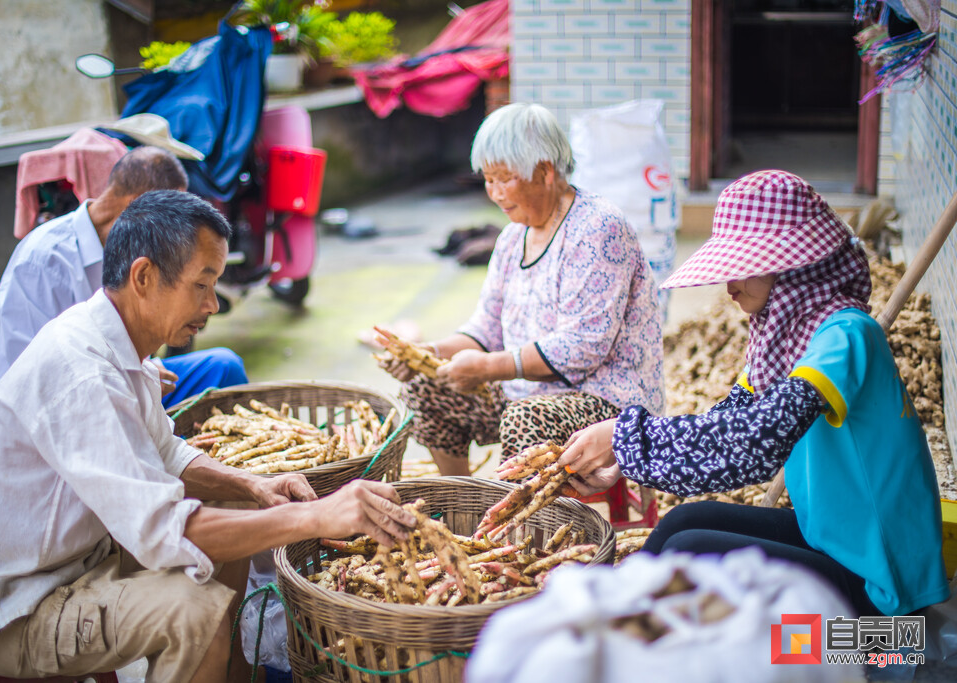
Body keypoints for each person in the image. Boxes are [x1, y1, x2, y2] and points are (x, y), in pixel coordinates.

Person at [0, 191, 416, 681]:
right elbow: (162, 531)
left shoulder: (123, 346)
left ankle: (231, 671)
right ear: (143, 277)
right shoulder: (83, 372)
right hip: (17, 605)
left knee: (237, 504)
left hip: (82, 556)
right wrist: (313, 516)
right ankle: (217, 658)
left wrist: (252, 485)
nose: (212, 305)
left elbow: (166, 451)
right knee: (194, 612)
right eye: (201, 285)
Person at [559, 170, 950, 616]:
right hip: (827, 538)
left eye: (743, 268)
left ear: (792, 264)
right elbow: (726, 423)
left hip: (881, 595)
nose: (729, 286)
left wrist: (624, 437)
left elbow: (756, 441)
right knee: (684, 521)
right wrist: (625, 463)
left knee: (690, 551)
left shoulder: (845, 337)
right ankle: (607, 631)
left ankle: (627, 644)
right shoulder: (783, 343)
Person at [380, 103, 664, 476]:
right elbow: (486, 328)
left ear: (545, 171)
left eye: (503, 178)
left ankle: (516, 526)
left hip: (607, 399)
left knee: (524, 419)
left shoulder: (598, 228)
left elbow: (584, 346)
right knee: (425, 389)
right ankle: (463, 506)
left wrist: (490, 367)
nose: (494, 193)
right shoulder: (513, 238)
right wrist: (428, 353)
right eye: (488, 179)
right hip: (525, 390)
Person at [0, 145, 247, 408]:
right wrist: (130, 378)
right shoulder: (41, 263)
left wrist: (142, 370)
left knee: (223, 367)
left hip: (126, 376)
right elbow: (35, 381)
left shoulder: (136, 249)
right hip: (63, 402)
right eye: (172, 222)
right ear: (136, 206)